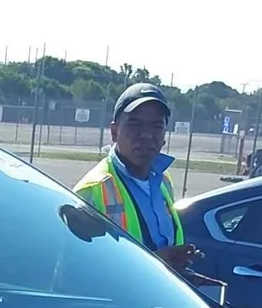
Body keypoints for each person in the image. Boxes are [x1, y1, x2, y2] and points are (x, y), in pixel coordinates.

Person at [73, 82, 199, 272]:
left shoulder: (163, 182)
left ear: (165, 135)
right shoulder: (92, 190)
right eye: (134, 125)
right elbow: (78, 269)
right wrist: (153, 264)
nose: (146, 135)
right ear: (114, 132)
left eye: (156, 126)